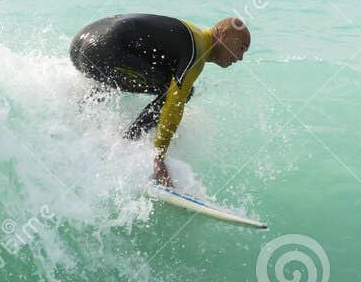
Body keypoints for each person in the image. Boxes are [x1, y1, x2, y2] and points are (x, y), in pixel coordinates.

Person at [69, 13, 251, 185]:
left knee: (155, 77)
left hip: (81, 45)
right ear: (224, 34)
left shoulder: (191, 33)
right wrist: (159, 157)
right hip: (102, 52)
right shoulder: (197, 51)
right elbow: (175, 104)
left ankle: (81, 107)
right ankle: (128, 144)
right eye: (241, 47)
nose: (241, 57)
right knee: (181, 92)